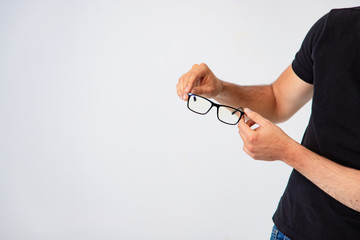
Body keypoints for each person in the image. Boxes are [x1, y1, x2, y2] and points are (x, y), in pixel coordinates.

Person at [176, 6, 360, 240]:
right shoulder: (335, 26)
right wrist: (220, 89)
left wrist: (287, 151)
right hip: (293, 230)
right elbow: (278, 99)